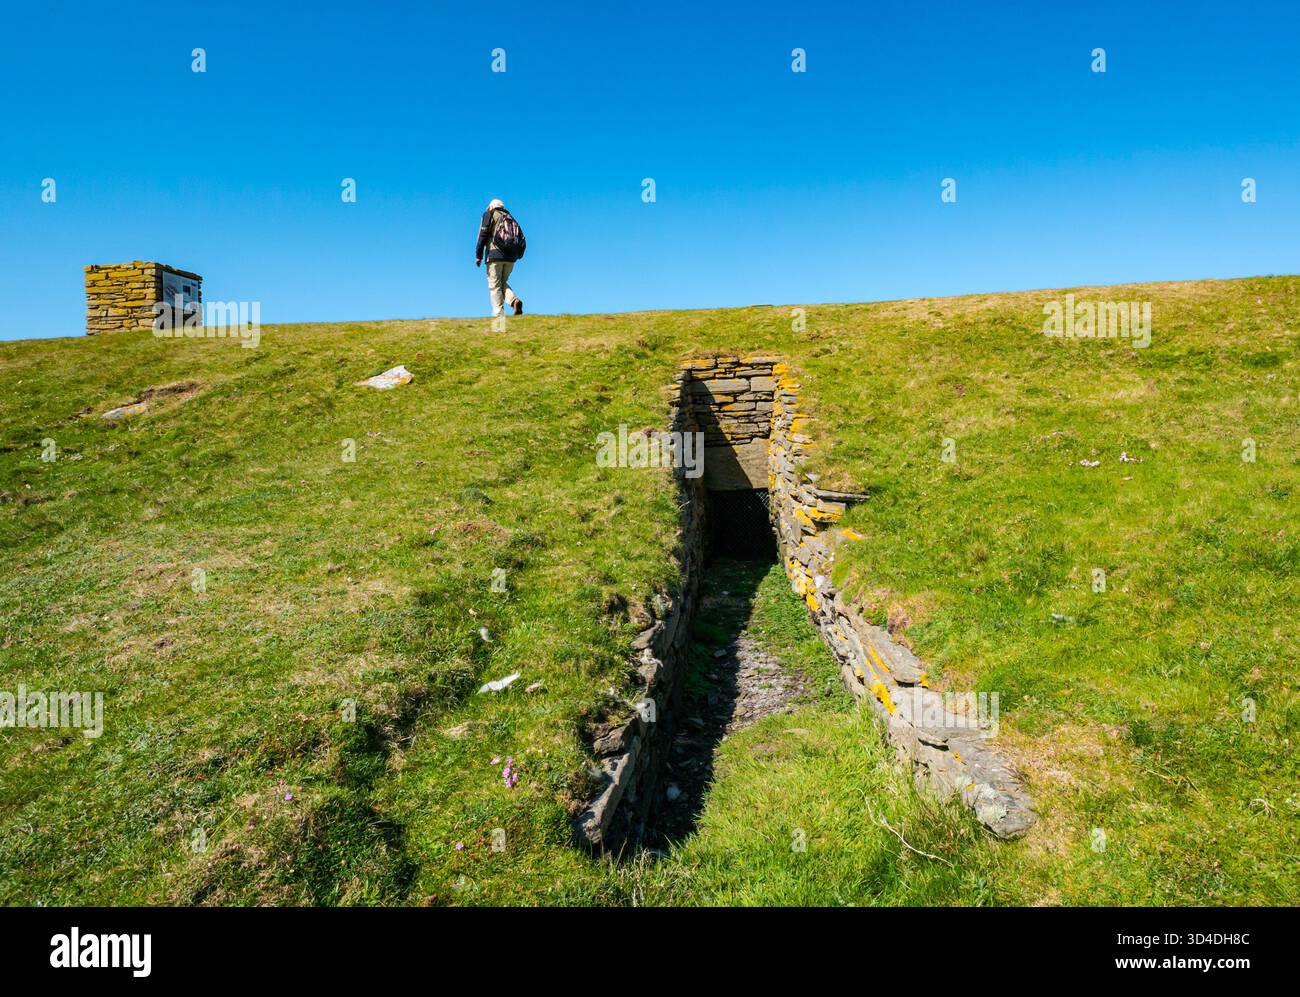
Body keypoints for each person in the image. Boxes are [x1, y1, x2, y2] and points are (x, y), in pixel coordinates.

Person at [474, 198, 526, 316]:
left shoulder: (490, 214)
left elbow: (482, 235)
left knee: (494, 285)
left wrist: (479, 255)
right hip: (511, 257)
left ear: (491, 207)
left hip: (494, 255)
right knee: (502, 283)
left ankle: (498, 316)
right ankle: (514, 301)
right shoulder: (510, 217)